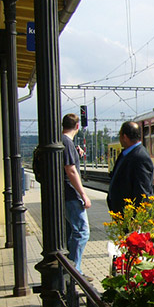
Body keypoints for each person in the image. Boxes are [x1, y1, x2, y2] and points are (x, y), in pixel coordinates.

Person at [62, 113, 92, 280]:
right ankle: (74, 271)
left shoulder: (66, 143)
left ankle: (71, 268)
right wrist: (83, 194)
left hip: (66, 193)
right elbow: (71, 170)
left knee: (72, 232)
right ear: (77, 127)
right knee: (82, 232)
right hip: (71, 193)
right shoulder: (67, 142)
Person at [107, 121, 154, 213]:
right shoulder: (126, 154)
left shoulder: (140, 157)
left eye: (120, 136)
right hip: (124, 213)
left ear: (124, 137)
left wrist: (137, 219)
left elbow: (142, 190)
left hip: (131, 216)